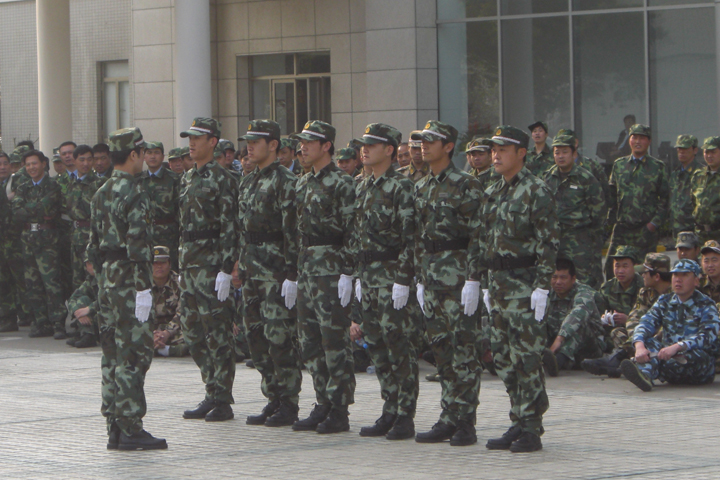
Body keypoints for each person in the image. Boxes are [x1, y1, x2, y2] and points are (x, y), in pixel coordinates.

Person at [86, 127, 167, 450]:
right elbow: (139, 245)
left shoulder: (100, 192)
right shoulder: (134, 192)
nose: (144, 158)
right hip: (130, 280)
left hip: (107, 279)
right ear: (133, 154)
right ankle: (131, 427)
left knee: (111, 354)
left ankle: (114, 426)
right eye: (142, 153)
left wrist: (103, 280)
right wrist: (144, 289)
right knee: (133, 353)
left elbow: (92, 247)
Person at [481, 125, 559, 453]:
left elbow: (548, 242)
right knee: (503, 358)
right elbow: (485, 240)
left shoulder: (536, 190)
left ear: (522, 153)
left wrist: (542, 286)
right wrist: (482, 282)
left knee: (526, 358)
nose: (495, 155)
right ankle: (518, 417)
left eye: (503, 149)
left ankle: (531, 426)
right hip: (498, 286)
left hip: (524, 287)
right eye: (493, 149)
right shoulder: (493, 190)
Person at [412, 120, 483, 447]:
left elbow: (478, 236)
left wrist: (474, 279)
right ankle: (449, 415)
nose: (424, 146)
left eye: (431, 141)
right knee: (441, 349)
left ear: (449, 146)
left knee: (463, 350)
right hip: (432, 277)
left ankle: (466, 421)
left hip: (458, 278)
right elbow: (418, 236)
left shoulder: (466, 184)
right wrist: (419, 277)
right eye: (422, 141)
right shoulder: (422, 186)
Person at [351, 123, 417, 440]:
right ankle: (389, 409)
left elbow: (410, 238)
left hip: (392, 279)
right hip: (368, 277)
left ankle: (405, 414)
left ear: (389, 150)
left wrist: (403, 279)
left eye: (372, 145)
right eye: (363, 145)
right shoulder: (362, 185)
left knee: (398, 347)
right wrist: (355, 276)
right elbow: (356, 236)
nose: (364, 150)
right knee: (377, 346)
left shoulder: (401, 187)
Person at [235, 120, 303, 427]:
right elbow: (243, 228)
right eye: (248, 142)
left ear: (273, 145)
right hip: (252, 271)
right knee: (256, 337)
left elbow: (292, 231)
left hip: (275, 272)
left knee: (280, 337)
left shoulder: (285, 180)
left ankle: (288, 401)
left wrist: (291, 273)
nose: (249, 147)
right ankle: (273, 396)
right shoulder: (248, 180)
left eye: (256, 141)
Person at [292, 120, 356, 434]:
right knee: (310, 342)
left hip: (331, 271)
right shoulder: (302, 183)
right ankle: (322, 401)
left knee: (334, 342)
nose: (302, 148)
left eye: (309, 142)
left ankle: (339, 408)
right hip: (308, 269)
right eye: (301, 142)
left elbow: (352, 231)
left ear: (326, 146)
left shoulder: (342, 183)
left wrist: (348, 272)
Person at [176, 117, 237, 423]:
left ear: (212, 142)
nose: (191, 143)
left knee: (217, 334)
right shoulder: (187, 178)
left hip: (212, 267)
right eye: (189, 138)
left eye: (197, 138)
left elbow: (230, 225)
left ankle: (223, 399)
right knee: (192, 332)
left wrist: (226, 268)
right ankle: (211, 390)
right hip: (189, 266)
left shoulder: (223, 179)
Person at [621, 259, 719, 391]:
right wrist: (639, 346)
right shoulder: (665, 301)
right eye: (675, 275)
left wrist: (678, 347)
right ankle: (645, 375)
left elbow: (708, 336)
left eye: (684, 275)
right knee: (649, 342)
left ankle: (653, 367)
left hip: (696, 363)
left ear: (696, 281)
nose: (678, 279)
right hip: (667, 355)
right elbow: (646, 322)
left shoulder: (706, 304)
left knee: (690, 356)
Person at [582, 253, 671, 377]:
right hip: (643, 339)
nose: (642, 275)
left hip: (666, 342)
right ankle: (624, 362)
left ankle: (619, 361)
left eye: (645, 272)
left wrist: (644, 338)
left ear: (656, 276)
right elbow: (634, 318)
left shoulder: (675, 295)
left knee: (652, 338)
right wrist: (639, 340)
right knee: (617, 332)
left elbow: (668, 328)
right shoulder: (646, 292)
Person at [11, 150, 66, 338]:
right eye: (28, 164)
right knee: (32, 283)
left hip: (48, 240)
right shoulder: (23, 187)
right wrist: (34, 210)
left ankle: (58, 323)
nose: (31, 167)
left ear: (43, 164)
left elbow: (47, 207)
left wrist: (30, 209)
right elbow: (16, 212)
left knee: (51, 282)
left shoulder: (53, 185)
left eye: (34, 163)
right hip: (28, 239)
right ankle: (41, 322)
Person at [605, 124, 669, 280]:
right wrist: (609, 224)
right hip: (622, 229)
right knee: (611, 269)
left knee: (644, 272)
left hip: (644, 231)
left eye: (642, 138)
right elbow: (611, 198)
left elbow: (666, 200)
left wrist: (653, 224)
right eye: (634, 137)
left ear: (649, 141)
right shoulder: (619, 165)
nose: (638, 141)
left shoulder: (657, 167)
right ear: (629, 140)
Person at [543, 134, 605, 289]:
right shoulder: (548, 178)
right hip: (555, 239)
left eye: (565, 152)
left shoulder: (585, 178)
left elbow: (598, 211)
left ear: (573, 153)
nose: (560, 156)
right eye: (557, 152)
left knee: (583, 282)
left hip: (580, 240)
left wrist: (591, 237)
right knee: (556, 282)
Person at [541, 258, 606, 376]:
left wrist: (560, 339)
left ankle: (557, 362)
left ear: (573, 279)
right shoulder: (547, 293)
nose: (558, 282)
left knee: (579, 324)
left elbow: (578, 312)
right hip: (556, 347)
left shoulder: (584, 292)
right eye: (554, 277)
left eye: (563, 278)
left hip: (589, 350)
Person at [64, 144, 103, 293]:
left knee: (93, 278)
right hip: (75, 237)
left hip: (92, 237)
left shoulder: (99, 184)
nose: (86, 163)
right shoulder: (71, 184)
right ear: (74, 161)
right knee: (77, 279)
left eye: (89, 159)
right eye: (82, 160)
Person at [0, 152, 32, 332]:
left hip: (16, 240)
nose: (3, 167)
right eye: (0, 164)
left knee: (21, 279)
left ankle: (28, 314)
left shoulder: (19, 183)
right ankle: (8, 317)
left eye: (5, 163)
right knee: (3, 281)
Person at [138, 141, 181, 271]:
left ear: (163, 157)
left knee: (170, 270)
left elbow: (179, 209)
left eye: (156, 153)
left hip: (168, 236)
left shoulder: (174, 179)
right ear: (144, 157)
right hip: (144, 236)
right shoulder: (138, 180)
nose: (153, 156)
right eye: (149, 153)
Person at [150, 246, 188, 358]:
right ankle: (163, 349)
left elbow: (183, 311)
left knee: (193, 336)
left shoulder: (180, 283)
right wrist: (153, 335)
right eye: (155, 263)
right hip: (149, 331)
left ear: (170, 264)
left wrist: (166, 333)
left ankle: (155, 350)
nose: (159, 266)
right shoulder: (141, 284)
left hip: (174, 331)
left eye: (163, 262)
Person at [599, 246, 644, 320]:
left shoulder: (644, 287)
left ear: (635, 267)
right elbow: (598, 314)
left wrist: (628, 319)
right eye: (617, 266)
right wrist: (605, 318)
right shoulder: (606, 288)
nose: (620, 271)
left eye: (625, 266)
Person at [669, 135, 702, 237]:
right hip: (676, 230)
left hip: (693, 231)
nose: (681, 152)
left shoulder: (701, 174)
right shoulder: (675, 174)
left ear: (695, 150)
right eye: (679, 149)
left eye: (685, 148)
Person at [691, 136, 720, 244]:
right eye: (706, 152)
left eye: (713, 152)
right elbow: (693, 202)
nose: (709, 156)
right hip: (701, 234)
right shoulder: (698, 175)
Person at [66, 259, 99, 348]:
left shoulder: (107, 278)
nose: (91, 266)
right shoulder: (90, 280)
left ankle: (89, 334)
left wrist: (89, 309)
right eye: (88, 264)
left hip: (111, 316)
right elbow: (73, 298)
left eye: (92, 263)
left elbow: (108, 299)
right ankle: (86, 333)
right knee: (82, 299)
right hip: (99, 316)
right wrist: (77, 312)